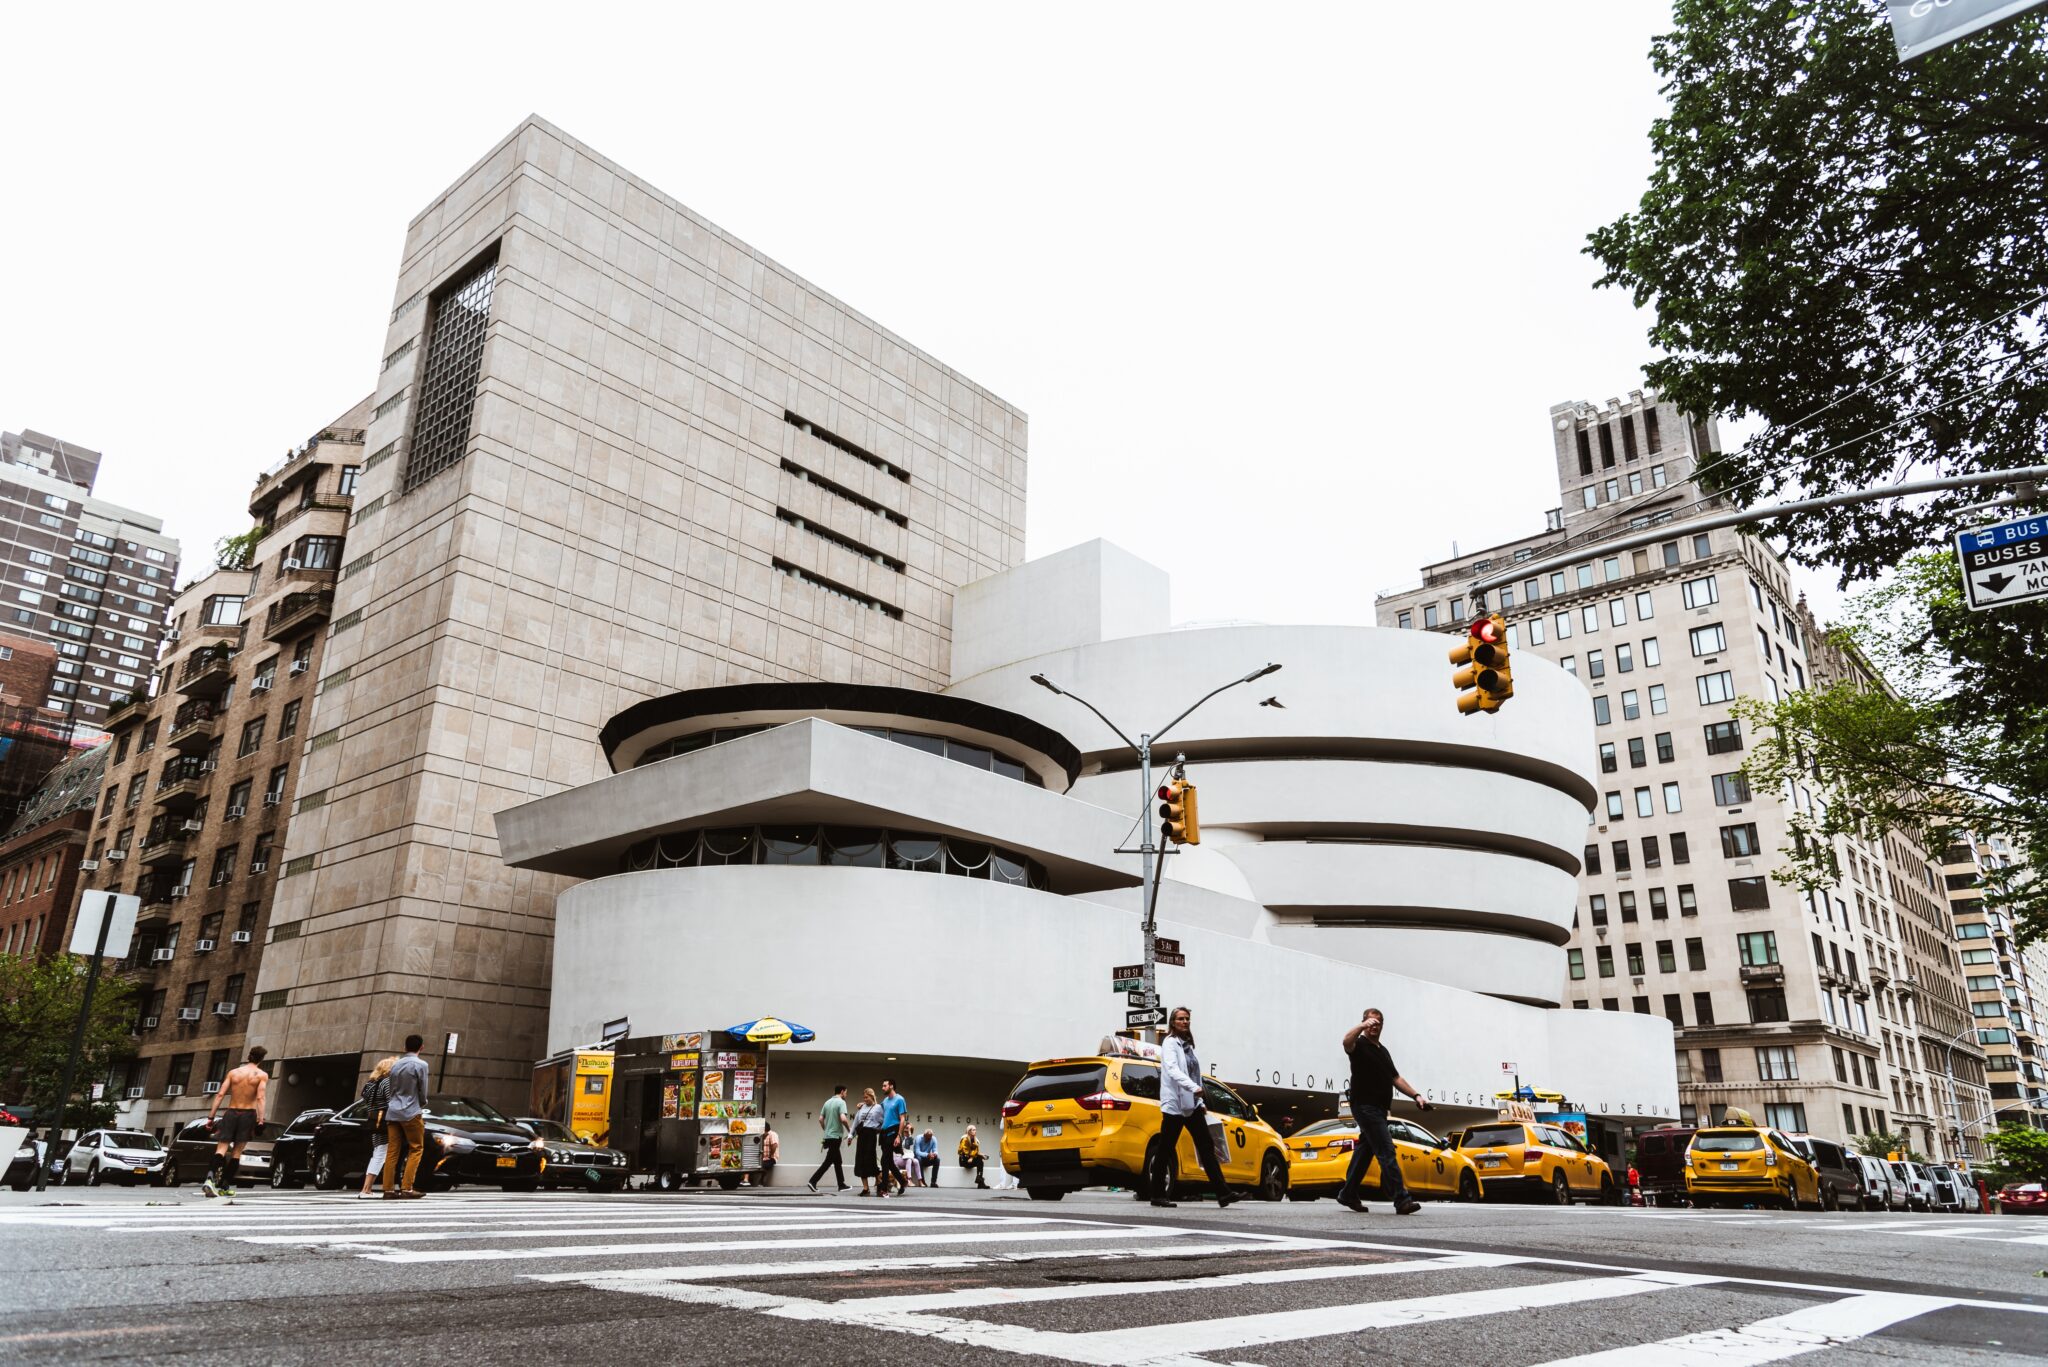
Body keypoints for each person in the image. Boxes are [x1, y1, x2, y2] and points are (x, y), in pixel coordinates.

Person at [1336, 1007, 1427, 1216]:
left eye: (1377, 1023)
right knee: (1386, 1151)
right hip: (1364, 1106)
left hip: (1379, 1108)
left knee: (1365, 1151)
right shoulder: (1358, 1044)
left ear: (1382, 1025)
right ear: (1363, 1023)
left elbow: (1396, 1078)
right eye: (1370, 1022)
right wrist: (1360, 1027)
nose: (1374, 1026)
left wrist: (1416, 1096)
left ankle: (1348, 1193)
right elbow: (1345, 1042)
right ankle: (1402, 1200)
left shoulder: (1383, 1051)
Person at [1153, 1006, 1235, 1209]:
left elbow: (1194, 1073)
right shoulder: (1170, 1043)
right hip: (1174, 1106)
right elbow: (1172, 1070)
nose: (1185, 1022)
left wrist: (1200, 1102)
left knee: (1207, 1147)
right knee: (1165, 1148)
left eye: (1187, 1019)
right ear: (1173, 1022)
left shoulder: (1187, 1046)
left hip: (1191, 1105)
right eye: (1181, 1019)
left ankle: (1223, 1193)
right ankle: (1157, 1194)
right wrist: (1194, 1088)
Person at [202, 1046, 269, 1198]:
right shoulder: (262, 1075)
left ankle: (210, 1178)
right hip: (248, 1115)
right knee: (237, 1153)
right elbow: (260, 1098)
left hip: (231, 1112)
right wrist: (260, 1120)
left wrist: (210, 1118)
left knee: (221, 1149)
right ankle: (225, 1186)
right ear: (261, 1059)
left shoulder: (233, 1073)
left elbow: (220, 1095)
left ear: (249, 1056)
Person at [382, 1033, 431, 1199]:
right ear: (421, 1048)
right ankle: (407, 1187)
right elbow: (423, 1091)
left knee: (392, 1151)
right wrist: (421, 1103)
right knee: (416, 1148)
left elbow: (392, 1089)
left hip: (393, 1111)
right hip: (411, 1111)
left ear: (405, 1047)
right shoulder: (421, 1065)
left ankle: (388, 1189)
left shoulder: (395, 1065)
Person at [357, 1056, 396, 1199]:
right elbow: (391, 1102)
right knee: (380, 1155)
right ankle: (366, 1189)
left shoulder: (371, 1083)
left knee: (377, 1154)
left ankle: (366, 1188)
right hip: (385, 1123)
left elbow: (365, 1101)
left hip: (374, 1123)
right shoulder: (386, 1082)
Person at [808, 1083, 851, 1193]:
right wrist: (850, 1130)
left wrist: (826, 1130)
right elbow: (843, 1119)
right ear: (842, 1092)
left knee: (837, 1161)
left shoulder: (827, 1102)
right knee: (828, 1161)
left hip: (828, 1136)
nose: (846, 1094)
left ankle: (841, 1184)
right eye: (846, 1092)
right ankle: (813, 1181)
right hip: (836, 1136)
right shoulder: (841, 1102)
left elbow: (820, 1119)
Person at [879, 1079, 910, 1195]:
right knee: (889, 1161)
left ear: (891, 1086)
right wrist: (864, 1105)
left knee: (884, 1160)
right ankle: (902, 1181)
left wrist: (898, 1136)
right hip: (884, 1132)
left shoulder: (900, 1099)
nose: (883, 1088)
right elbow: (877, 1108)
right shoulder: (885, 1101)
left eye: (884, 1085)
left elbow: (902, 1118)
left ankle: (884, 1189)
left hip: (893, 1132)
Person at [851, 1087, 884, 1196]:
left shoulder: (878, 1108)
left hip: (871, 1135)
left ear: (872, 1096)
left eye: (867, 1097)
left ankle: (879, 1184)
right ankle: (866, 1188)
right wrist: (851, 1135)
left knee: (870, 1159)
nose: (865, 1100)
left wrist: (878, 1130)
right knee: (860, 1161)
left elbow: (883, 1122)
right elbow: (856, 1122)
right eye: (864, 1098)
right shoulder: (861, 1108)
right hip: (861, 1136)